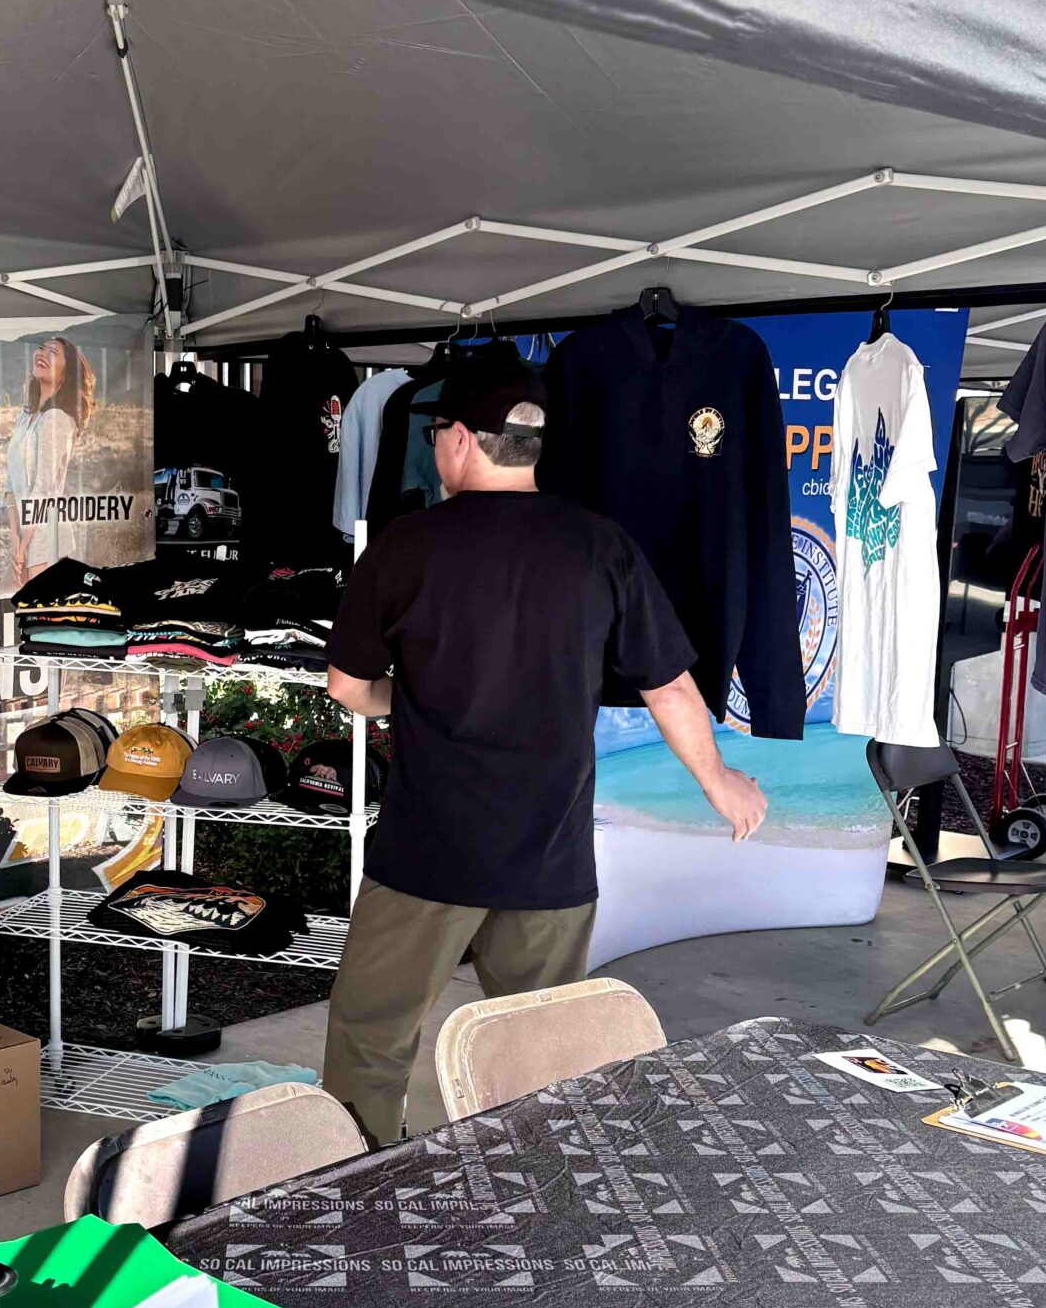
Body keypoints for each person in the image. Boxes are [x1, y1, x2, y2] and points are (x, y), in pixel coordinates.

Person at [321, 350, 768, 1146]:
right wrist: (719, 780)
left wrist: (409, 699)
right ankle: (537, 1187)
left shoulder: (404, 544)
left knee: (371, 1043)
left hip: (426, 852)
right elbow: (670, 686)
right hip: (550, 855)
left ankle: (356, 1187)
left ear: (459, 438)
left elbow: (349, 688)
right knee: (540, 1057)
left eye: (436, 433)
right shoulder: (600, 546)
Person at [5, 335, 96, 587]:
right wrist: (15, 539)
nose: (42, 354)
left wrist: (24, 544)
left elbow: (43, 489)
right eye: (41, 348)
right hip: (25, 536)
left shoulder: (57, 419)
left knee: (37, 609)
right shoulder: (25, 418)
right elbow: (10, 486)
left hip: (46, 537)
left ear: (66, 375)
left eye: (53, 353)